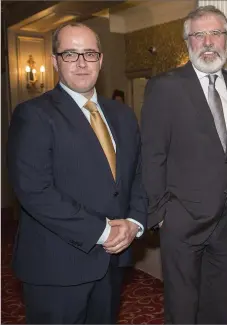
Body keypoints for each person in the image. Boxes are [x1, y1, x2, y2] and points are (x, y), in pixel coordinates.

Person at [7, 22, 147, 324]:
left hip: (112, 264)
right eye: (71, 54)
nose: (82, 63)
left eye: (90, 54)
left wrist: (134, 222)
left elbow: (138, 175)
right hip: (56, 267)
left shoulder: (123, 115)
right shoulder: (33, 114)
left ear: (101, 60)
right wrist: (105, 231)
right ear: (55, 61)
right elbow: (34, 191)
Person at [141, 5, 227, 324]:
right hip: (182, 222)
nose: (207, 42)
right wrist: (162, 214)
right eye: (198, 34)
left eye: (215, 33)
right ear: (187, 42)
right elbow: (152, 154)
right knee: (183, 309)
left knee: (217, 308)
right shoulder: (165, 87)